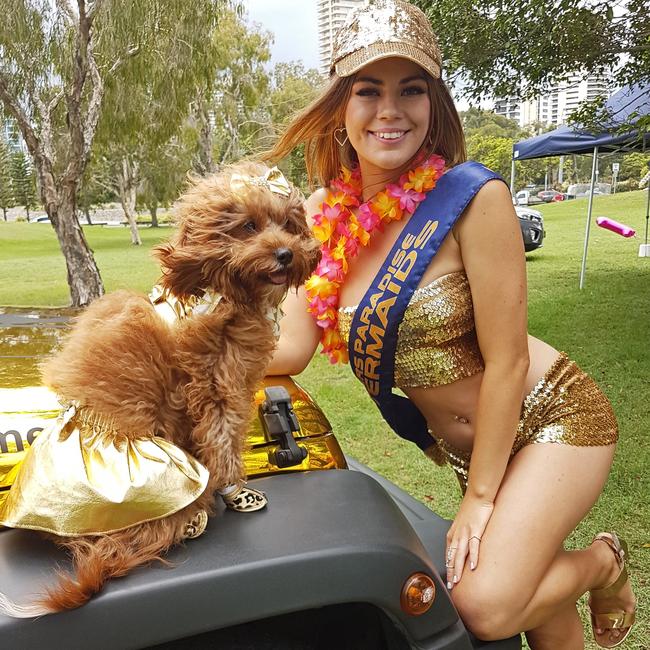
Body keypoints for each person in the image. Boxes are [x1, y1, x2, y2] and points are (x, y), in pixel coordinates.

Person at [266, 1, 636, 647]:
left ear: (434, 105)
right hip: (471, 446)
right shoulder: (320, 215)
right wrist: (180, 344)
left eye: (412, 90)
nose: (390, 110)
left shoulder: (471, 197)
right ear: (340, 108)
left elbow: (510, 361)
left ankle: (604, 563)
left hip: (552, 419)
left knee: (487, 606)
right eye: (368, 91)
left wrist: (482, 498)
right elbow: (290, 347)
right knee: (531, 600)